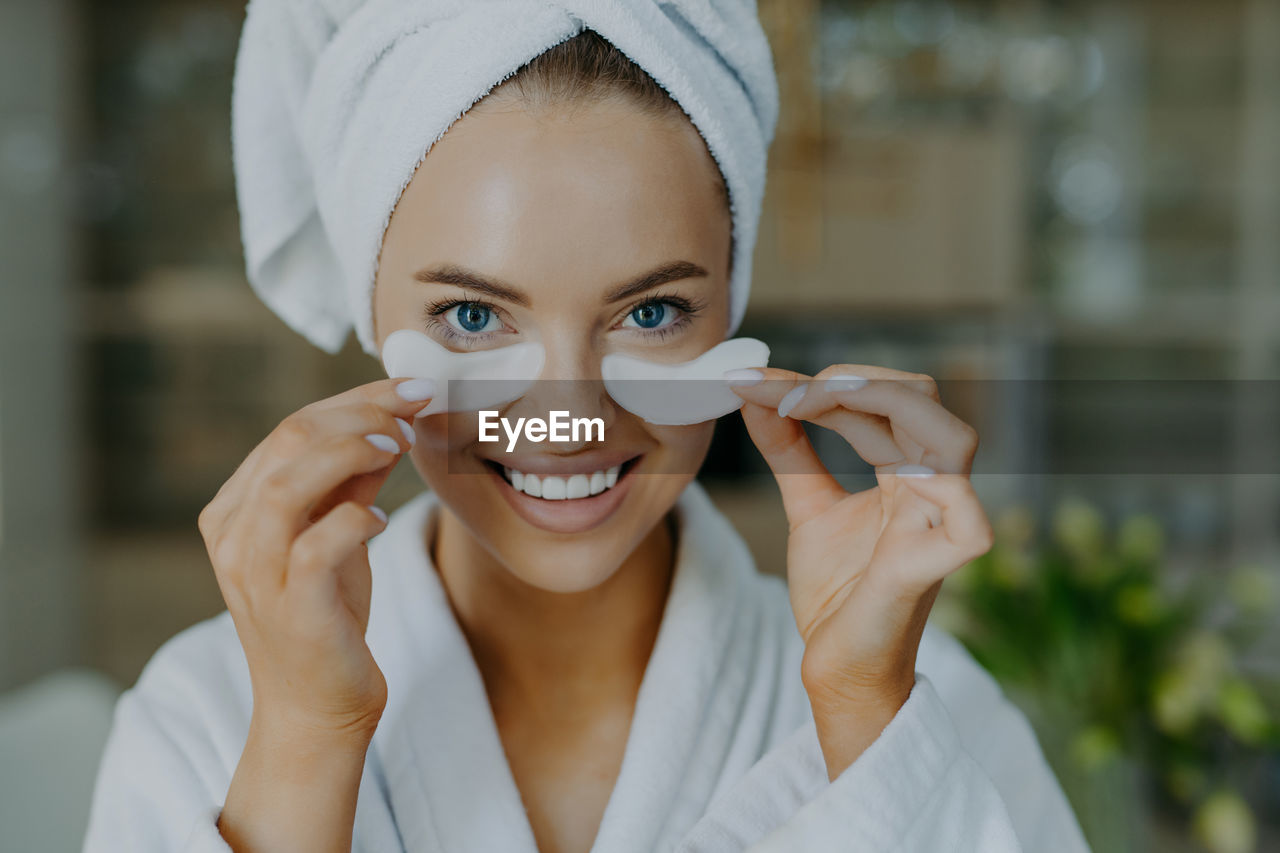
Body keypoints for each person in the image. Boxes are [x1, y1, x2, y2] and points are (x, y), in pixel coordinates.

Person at [83, 4, 1090, 852]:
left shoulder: (917, 699)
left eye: (649, 314)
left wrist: (864, 715)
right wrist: (306, 736)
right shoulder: (207, 713)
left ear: (729, 314)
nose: (567, 412)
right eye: (473, 318)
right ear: (373, 321)